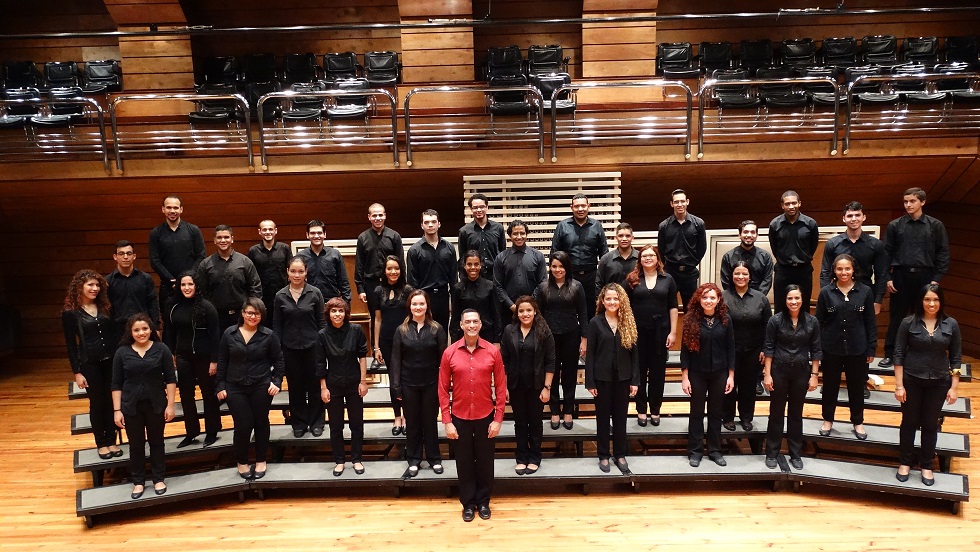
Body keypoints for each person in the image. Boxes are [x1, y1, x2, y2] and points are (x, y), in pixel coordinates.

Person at [439, 309, 506, 522]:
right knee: (464, 462)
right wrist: (447, 421)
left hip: (485, 415)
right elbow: (442, 389)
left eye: (475, 321)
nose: (471, 325)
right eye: (467, 321)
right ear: (460, 324)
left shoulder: (492, 352)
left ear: (480, 324)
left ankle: (484, 501)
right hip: (459, 417)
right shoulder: (449, 352)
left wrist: (498, 418)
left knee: (485, 462)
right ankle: (468, 503)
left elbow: (502, 387)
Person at [894, 284, 961, 486]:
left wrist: (954, 387)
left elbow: (956, 358)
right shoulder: (908, 323)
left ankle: (926, 466)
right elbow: (898, 354)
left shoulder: (951, 324)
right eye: (927, 300)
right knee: (909, 422)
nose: (931, 304)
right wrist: (899, 385)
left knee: (930, 425)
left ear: (941, 302)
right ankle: (905, 463)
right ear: (921, 302)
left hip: (939, 382)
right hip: (912, 380)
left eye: (935, 300)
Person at [880, 187, 951, 368]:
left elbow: (943, 253)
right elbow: (886, 254)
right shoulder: (896, 225)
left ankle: (926, 355)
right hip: (901, 276)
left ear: (922, 202)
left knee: (925, 315)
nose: (908, 205)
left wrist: (936, 279)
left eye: (912, 201)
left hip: (926, 277)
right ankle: (890, 354)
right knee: (897, 317)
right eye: (905, 201)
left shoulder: (935, 226)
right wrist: (888, 277)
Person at [215, 297, 284, 480]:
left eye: (257, 313)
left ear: (262, 316)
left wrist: (277, 382)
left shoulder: (269, 335)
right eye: (249, 312)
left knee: (261, 422)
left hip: (261, 386)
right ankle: (242, 461)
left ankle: (261, 460)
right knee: (243, 425)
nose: (252, 316)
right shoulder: (229, 334)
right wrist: (220, 385)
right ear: (243, 313)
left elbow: (278, 360)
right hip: (235, 387)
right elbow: (222, 361)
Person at [111, 313, 176, 499]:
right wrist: (117, 410)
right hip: (131, 406)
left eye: (145, 329)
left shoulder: (162, 349)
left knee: (157, 443)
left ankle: (158, 479)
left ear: (151, 329)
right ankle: (138, 482)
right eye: (137, 330)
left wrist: (171, 405)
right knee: (136, 445)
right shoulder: (121, 353)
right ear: (130, 332)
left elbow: (170, 380)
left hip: (156, 404)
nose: (141, 333)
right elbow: (116, 383)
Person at [815, 254, 877, 440]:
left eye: (847, 269)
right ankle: (828, 420)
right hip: (831, 348)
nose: (844, 272)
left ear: (853, 270)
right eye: (840, 269)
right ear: (834, 270)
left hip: (857, 348)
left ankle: (858, 422)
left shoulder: (865, 292)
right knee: (830, 387)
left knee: (856, 388)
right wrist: (817, 349)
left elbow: (870, 323)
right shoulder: (826, 292)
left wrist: (871, 348)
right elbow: (818, 322)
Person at [63, 269, 121, 458]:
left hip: (110, 361)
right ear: (80, 287)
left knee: (112, 401)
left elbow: (113, 334)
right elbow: (71, 345)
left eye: (97, 285)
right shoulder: (71, 314)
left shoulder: (105, 307)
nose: (95, 288)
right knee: (97, 403)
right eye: (91, 285)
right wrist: (77, 372)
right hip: (90, 363)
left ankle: (112, 441)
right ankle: (101, 443)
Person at [390, 290, 447, 477]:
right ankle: (414, 460)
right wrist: (396, 386)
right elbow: (396, 360)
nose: (418, 307)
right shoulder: (401, 330)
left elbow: (443, 361)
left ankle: (434, 458)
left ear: (427, 306)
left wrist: (444, 385)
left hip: (431, 384)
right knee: (413, 423)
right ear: (409, 307)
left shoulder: (437, 329)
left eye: (421, 304)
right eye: (414, 304)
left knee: (430, 422)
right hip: (408, 384)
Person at [763, 285, 821, 470]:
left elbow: (816, 350)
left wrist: (814, 375)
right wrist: (767, 374)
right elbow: (769, 348)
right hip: (779, 371)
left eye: (797, 298)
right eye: (790, 298)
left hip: (801, 373)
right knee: (776, 414)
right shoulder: (775, 321)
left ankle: (796, 454)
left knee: (796, 414)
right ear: (785, 300)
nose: (793, 302)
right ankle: (772, 452)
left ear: (802, 300)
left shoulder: (812, 322)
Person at [162, 271, 222, 448]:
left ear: (196, 286)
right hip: (183, 357)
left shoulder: (207, 307)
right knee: (186, 396)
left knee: (208, 395)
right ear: (179, 287)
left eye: (190, 284)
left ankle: (212, 432)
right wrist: (171, 354)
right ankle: (191, 432)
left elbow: (215, 335)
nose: (187, 288)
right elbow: (170, 333)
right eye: (183, 285)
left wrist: (214, 360)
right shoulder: (173, 306)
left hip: (205, 358)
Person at [585, 283, 640, 474]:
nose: (612, 301)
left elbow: (634, 355)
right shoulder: (595, 323)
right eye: (608, 298)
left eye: (615, 298)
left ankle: (620, 454)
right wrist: (590, 382)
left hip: (623, 378)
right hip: (602, 379)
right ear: (602, 300)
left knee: (620, 418)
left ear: (621, 301)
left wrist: (635, 380)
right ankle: (603, 455)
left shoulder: (628, 322)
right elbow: (590, 354)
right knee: (602, 418)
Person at [680, 283, 735, 468]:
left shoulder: (726, 319)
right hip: (697, 373)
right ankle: (695, 451)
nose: (708, 300)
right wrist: (685, 377)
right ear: (699, 299)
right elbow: (685, 352)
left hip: (720, 373)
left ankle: (715, 450)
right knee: (696, 413)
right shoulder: (690, 319)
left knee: (716, 413)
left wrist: (731, 376)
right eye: (705, 297)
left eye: (712, 297)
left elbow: (731, 349)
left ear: (718, 300)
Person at [500, 296, 555, 475]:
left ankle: (535, 457)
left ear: (535, 312)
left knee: (535, 423)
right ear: (517, 313)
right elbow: (504, 361)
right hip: (516, 386)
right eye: (521, 311)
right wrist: (505, 386)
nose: (525, 314)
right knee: (520, 422)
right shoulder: (509, 331)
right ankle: (521, 458)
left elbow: (550, 361)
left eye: (529, 310)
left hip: (537, 386)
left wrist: (547, 388)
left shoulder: (544, 331)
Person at [273, 256, 326, 439]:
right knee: (295, 388)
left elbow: (321, 323)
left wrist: (324, 348)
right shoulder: (280, 295)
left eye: (300, 271)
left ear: (306, 272)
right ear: (287, 272)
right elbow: (277, 326)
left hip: (313, 347)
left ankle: (317, 421)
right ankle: (299, 422)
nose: (297, 275)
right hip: (290, 349)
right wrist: (277, 351)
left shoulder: (315, 293)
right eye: (293, 271)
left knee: (314, 386)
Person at [533, 251, 587, 431]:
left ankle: (569, 411)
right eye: (554, 266)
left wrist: (584, 339)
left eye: (561, 266)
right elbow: (537, 315)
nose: (558, 270)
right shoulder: (542, 288)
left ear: (567, 267)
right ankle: (555, 411)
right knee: (552, 374)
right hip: (549, 338)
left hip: (571, 334)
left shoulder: (577, 287)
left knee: (570, 375)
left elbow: (583, 314)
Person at [625, 245, 678, 427]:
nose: (648, 258)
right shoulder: (632, 279)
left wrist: (673, 332)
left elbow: (673, 306)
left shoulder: (668, 279)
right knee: (638, 372)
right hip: (638, 333)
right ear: (639, 260)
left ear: (657, 259)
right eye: (644, 256)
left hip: (660, 333)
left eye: (651, 255)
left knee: (657, 374)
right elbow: (626, 308)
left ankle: (655, 409)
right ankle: (641, 410)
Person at [316, 297, 369, 477]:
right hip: (333, 384)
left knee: (356, 424)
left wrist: (363, 381)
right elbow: (320, 363)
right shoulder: (322, 335)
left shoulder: (356, 330)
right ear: (328, 314)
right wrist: (323, 387)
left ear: (346, 313)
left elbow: (362, 357)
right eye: (333, 311)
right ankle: (339, 460)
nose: (337, 314)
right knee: (336, 426)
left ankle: (356, 459)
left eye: (340, 311)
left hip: (354, 382)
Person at [722, 262, 771, 432]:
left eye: (744, 274)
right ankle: (727, 417)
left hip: (753, 350)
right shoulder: (723, 297)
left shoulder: (761, 298)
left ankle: (746, 418)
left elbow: (767, 325)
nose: (740, 277)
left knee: (749, 387)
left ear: (750, 276)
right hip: (729, 350)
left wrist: (766, 349)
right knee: (728, 386)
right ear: (732, 275)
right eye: (737, 273)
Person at [818, 202, 887, 315]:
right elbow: (825, 272)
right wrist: (826, 297)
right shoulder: (832, 244)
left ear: (863, 217)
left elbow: (881, 274)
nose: (854, 219)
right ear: (844, 219)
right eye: (850, 216)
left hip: (865, 294)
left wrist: (878, 301)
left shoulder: (876, 245)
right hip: (837, 294)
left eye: (857, 215)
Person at [196, 225, 263, 332]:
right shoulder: (205, 264)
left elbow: (255, 288)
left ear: (232, 239)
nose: (223, 240)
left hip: (241, 316)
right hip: (216, 317)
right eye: (219, 237)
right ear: (214, 240)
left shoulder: (245, 261)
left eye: (226, 237)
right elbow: (201, 292)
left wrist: (250, 312)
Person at [374, 255, 413, 435]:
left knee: (405, 379)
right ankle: (397, 416)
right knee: (393, 380)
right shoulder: (378, 291)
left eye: (396, 268)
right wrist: (376, 347)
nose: (393, 272)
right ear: (384, 271)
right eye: (389, 268)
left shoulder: (408, 290)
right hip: (386, 341)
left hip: (405, 341)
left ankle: (407, 415)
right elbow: (377, 319)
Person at [551, 193, 608, 315]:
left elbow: (604, 253)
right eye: (577, 206)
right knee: (568, 309)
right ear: (571, 207)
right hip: (569, 276)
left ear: (589, 206)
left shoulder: (597, 226)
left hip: (592, 276)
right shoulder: (562, 226)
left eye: (583, 206)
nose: (580, 209)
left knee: (592, 309)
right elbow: (555, 253)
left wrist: (602, 276)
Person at [354, 203, 404, 340]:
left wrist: (402, 284)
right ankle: (377, 353)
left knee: (395, 316)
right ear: (369, 217)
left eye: (380, 215)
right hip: (371, 284)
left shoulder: (394, 236)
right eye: (374, 215)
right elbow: (359, 264)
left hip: (392, 283)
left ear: (385, 216)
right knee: (375, 317)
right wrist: (360, 288)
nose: (378, 218)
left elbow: (401, 262)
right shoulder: (362, 238)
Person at [148, 195, 206, 310]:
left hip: (191, 286)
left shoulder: (193, 230)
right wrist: (172, 280)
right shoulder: (156, 233)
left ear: (181, 209)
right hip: (168, 287)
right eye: (169, 207)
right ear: (163, 209)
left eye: (175, 208)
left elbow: (201, 256)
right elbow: (154, 260)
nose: (172, 211)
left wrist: (187, 279)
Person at [768, 191, 819, 315]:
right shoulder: (775, 224)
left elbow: (813, 246)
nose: (791, 206)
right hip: (783, 270)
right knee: (780, 306)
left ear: (799, 203)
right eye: (787, 204)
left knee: (804, 306)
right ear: (782, 206)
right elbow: (775, 248)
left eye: (794, 203)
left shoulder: (810, 224)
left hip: (803, 270)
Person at [407, 209, 457, 330]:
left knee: (442, 331)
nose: (430, 225)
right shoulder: (414, 250)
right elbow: (412, 281)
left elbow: (454, 278)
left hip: (443, 296)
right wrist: (418, 302)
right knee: (424, 332)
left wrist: (453, 302)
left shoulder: (449, 247)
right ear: (422, 225)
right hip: (424, 297)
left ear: (439, 224)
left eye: (433, 222)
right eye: (426, 222)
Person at [658, 189, 707, 311]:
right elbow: (661, 249)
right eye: (676, 202)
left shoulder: (699, 223)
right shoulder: (664, 226)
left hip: (689, 273)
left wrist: (692, 262)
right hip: (670, 272)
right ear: (671, 204)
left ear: (687, 202)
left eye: (682, 201)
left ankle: (689, 331)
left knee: (691, 309)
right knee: (667, 306)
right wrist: (666, 265)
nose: (679, 204)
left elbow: (702, 248)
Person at [106, 240, 160, 346]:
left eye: (129, 253)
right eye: (121, 254)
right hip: (118, 331)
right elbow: (106, 309)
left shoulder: (145, 279)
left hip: (143, 329)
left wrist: (156, 327)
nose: (125, 257)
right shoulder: (108, 281)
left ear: (134, 256)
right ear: (115, 257)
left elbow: (153, 304)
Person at [493, 219, 547, 315]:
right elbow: (498, 286)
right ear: (510, 236)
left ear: (527, 234)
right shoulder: (501, 258)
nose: (519, 237)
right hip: (508, 310)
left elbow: (542, 283)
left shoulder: (538, 256)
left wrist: (529, 305)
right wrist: (511, 305)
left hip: (533, 309)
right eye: (515, 234)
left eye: (522, 233)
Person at [247, 219, 291, 328]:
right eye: (264, 229)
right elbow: (250, 276)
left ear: (275, 231)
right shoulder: (253, 251)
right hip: (262, 298)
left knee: (284, 325)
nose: (268, 232)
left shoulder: (285, 249)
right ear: (259, 232)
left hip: (283, 296)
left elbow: (291, 271)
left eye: (270, 229)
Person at [450, 251, 501, 343]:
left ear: (480, 265)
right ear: (464, 266)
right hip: (465, 335)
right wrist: (454, 341)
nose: (473, 267)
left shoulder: (490, 286)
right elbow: (455, 318)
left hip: (486, 334)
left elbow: (496, 315)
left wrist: (497, 340)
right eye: (469, 264)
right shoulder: (458, 288)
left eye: (476, 264)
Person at [297, 219, 352, 304]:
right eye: (312, 233)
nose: (316, 236)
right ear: (307, 235)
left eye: (319, 233)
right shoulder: (300, 257)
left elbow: (343, 281)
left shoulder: (335, 255)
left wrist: (346, 302)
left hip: (331, 303)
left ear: (324, 234)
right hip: (308, 303)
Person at [457, 193, 506, 281]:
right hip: (474, 277)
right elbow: (463, 257)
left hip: (495, 275)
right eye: (475, 207)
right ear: (471, 209)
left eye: (482, 207)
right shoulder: (464, 231)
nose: (479, 210)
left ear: (487, 207)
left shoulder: (498, 228)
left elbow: (503, 253)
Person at [720, 220, 774, 294]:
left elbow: (767, 281)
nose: (749, 235)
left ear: (757, 235)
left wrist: (757, 298)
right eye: (745, 232)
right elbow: (726, 282)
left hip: (758, 299)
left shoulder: (765, 257)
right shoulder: (728, 256)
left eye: (752, 232)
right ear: (739, 235)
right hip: (734, 298)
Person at [596, 222, 638, 290]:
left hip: (636, 300)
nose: (624, 239)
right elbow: (599, 284)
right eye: (620, 236)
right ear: (616, 238)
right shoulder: (606, 259)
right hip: (612, 300)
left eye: (627, 236)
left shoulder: (640, 258)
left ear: (632, 238)